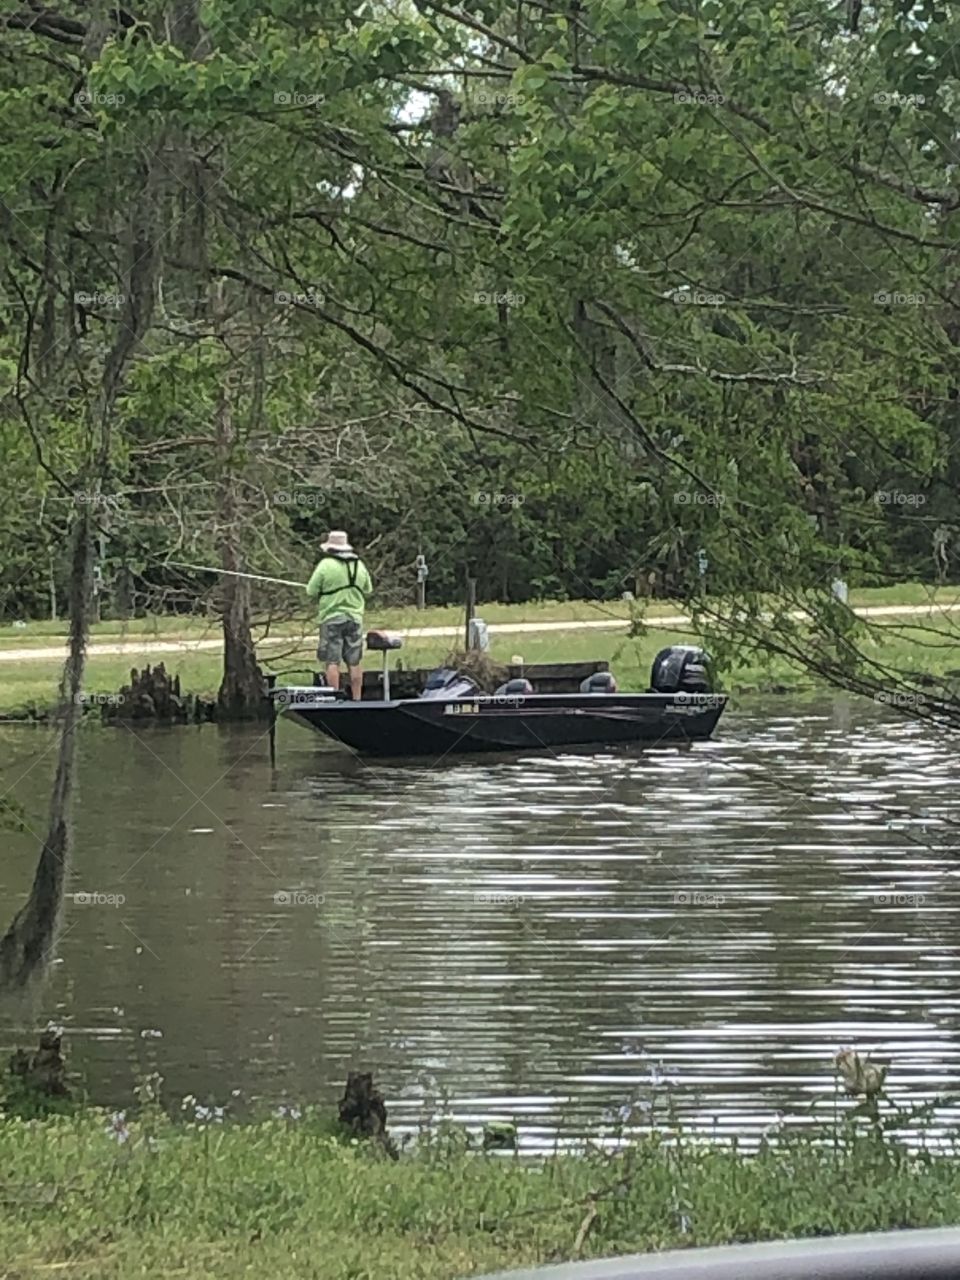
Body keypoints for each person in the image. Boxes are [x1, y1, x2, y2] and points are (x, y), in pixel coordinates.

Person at [306, 531, 373, 701]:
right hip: (355, 618)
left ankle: (333, 699)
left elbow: (310, 591)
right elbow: (368, 589)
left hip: (331, 617)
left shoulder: (325, 565)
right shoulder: (359, 565)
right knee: (354, 661)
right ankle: (357, 699)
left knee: (332, 661)